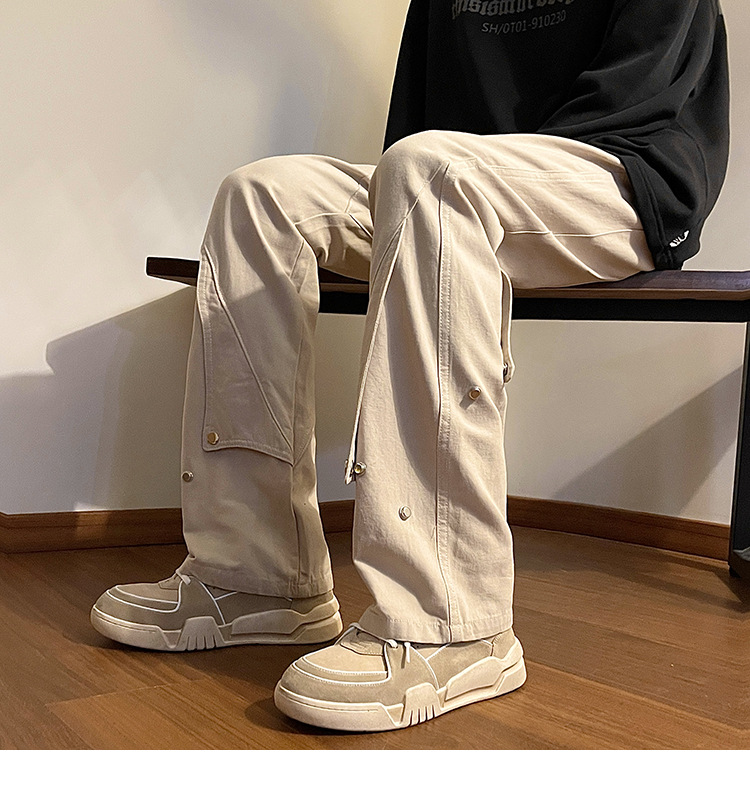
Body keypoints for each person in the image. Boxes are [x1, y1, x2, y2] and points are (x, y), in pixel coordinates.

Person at [91, 0, 729, 732]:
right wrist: (414, 189)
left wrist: (453, 173)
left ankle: (455, 620)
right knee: (259, 197)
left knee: (433, 172)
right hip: (461, 176)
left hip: (624, 174)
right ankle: (258, 575)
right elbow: (416, 127)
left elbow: (640, 93)